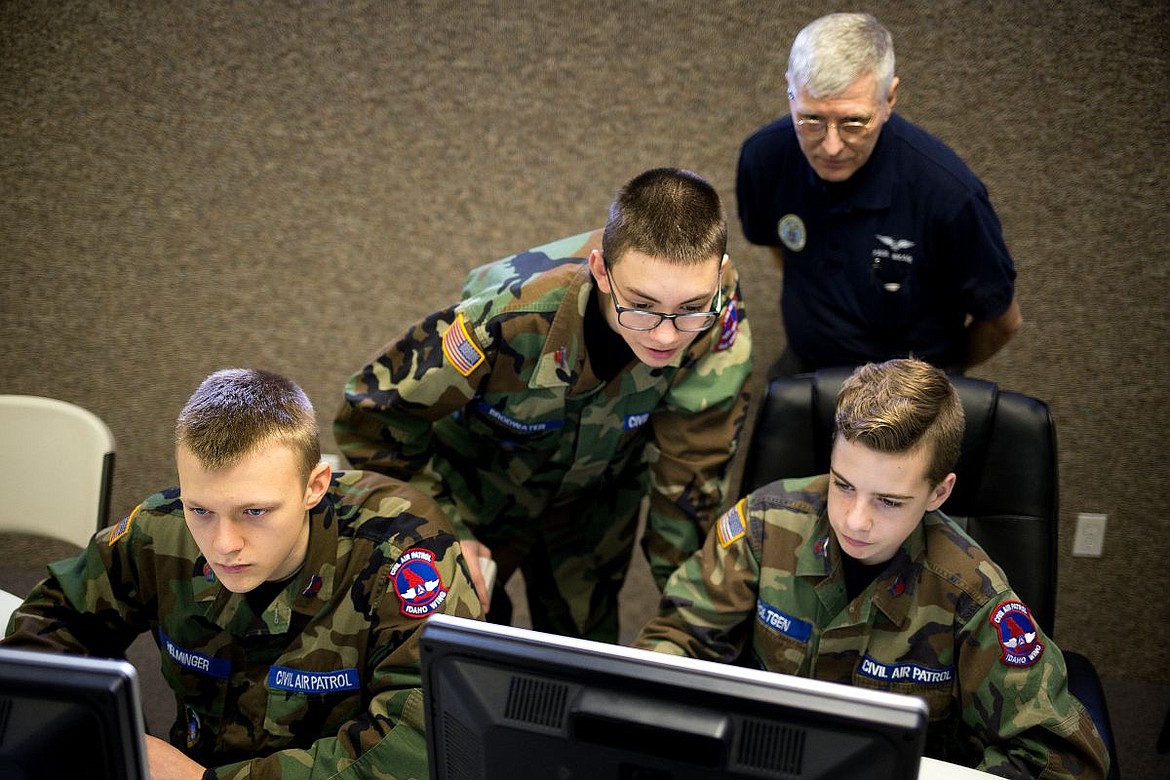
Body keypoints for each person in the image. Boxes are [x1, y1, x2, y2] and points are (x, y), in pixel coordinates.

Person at [634, 358, 1109, 779]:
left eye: (889, 500)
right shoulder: (765, 525)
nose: (855, 520)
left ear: (939, 494)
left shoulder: (971, 595)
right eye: (844, 485)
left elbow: (1061, 759)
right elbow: (678, 640)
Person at [334, 167, 752, 643]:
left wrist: (689, 629)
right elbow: (373, 416)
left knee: (584, 654)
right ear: (601, 271)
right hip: (476, 487)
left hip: (592, 502)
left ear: (717, 277)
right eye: (641, 305)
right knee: (461, 642)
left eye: (689, 309)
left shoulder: (716, 309)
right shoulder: (511, 316)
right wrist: (441, 528)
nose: (665, 333)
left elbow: (692, 478)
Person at [2, 368, 483, 780]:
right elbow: (45, 630)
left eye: (254, 511)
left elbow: (425, 745)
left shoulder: (402, 552)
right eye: (201, 509)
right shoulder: (161, 530)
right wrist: (109, 738)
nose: (224, 543)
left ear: (314, 485)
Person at [736, 12, 1023, 377]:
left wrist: (937, 379)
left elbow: (1003, 322)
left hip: (905, 390)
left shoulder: (951, 195)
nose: (832, 146)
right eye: (811, 120)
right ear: (790, 90)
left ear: (889, 98)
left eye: (854, 122)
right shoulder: (763, 157)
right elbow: (782, 248)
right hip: (808, 366)